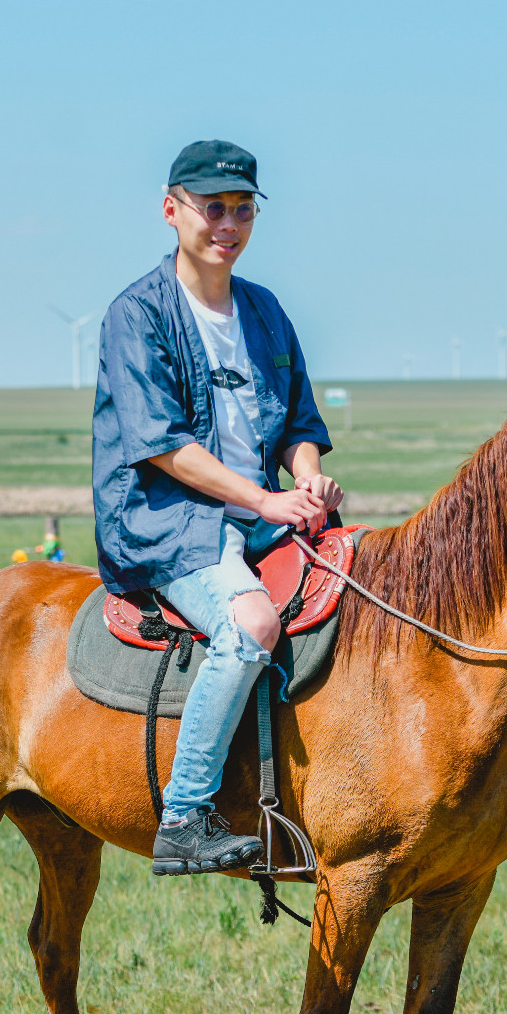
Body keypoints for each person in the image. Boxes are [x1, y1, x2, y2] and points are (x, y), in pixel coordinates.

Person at [92, 140, 342, 877]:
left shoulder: (264, 311)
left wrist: (308, 480)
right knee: (253, 620)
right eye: (212, 208)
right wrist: (267, 496)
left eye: (241, 208)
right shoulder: (136, 315)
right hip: (165, 520)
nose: (226, 223)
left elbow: (299, 422)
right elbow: (165, 448)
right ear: (172, 211)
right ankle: (185, 812)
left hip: (257, 514)